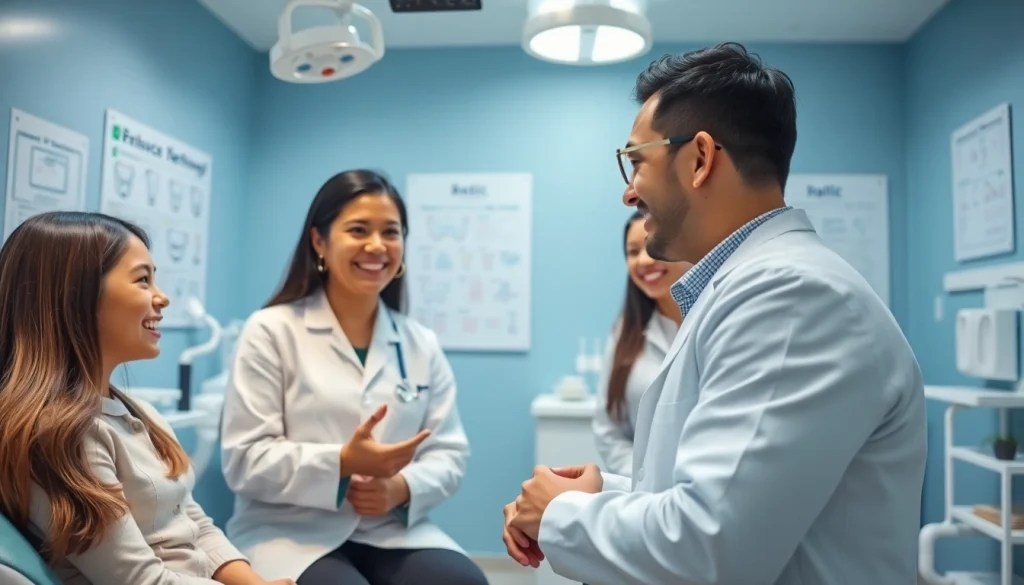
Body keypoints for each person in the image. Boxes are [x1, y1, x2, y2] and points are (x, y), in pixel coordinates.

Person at [502, 43, 927, 585]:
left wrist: (560, 513)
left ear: (700, 159)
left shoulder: (791, 297)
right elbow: (721, 498)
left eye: (637, 162)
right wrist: (601, 492)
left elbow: (711, 547)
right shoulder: (743, 290)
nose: (629, 193)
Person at [220, 169, 488, 585]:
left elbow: (449, 453)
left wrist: (401, 488)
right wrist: (343, 462)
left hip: (389, 528)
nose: (377, 246)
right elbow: (244, 459)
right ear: (319, 241)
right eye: (359, 230)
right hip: (288, 530)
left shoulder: (420, 343)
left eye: (391, 232)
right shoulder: (270, 330)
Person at [0, 211, 291, 585]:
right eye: (142, 280)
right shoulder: (60, 436)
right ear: (77, 295)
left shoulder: (140, 414)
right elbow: (140, 581)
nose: (162, 297)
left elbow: (194, 523)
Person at [592, 211, 690, 476]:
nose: (644, 260)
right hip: (642, 488)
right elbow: (608, 429)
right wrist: (644, 478)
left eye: (653, 247)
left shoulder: (713, 319)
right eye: (633, 252)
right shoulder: (625, 333)